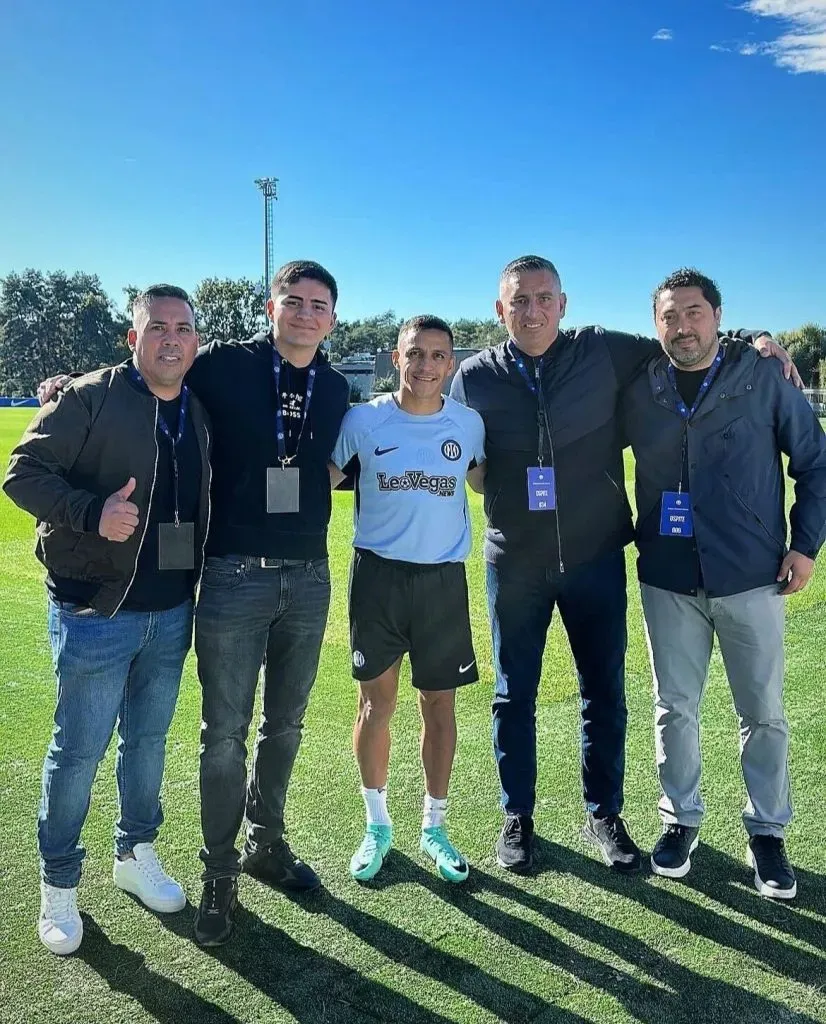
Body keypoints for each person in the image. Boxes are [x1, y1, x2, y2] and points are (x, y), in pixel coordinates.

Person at [36, 260, 349, 946]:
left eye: (318, 305)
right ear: (272, 308)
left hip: (304, 577)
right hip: (231, 577)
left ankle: (261, 843)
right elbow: (150, 366)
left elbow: (335, 461)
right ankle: (217, 872)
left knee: (283, 726)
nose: (304, 313)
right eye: (292, 301)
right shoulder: (225, 365)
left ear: (332, 317)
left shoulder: (333, 386)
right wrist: (71, 387)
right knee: (218, 736)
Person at [449, 255, 790, 875]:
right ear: (499, 310)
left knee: (603, 693)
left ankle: (604, 812)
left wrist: (755, 338)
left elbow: (686, 340)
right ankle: (517, 816)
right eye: (519, 301)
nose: (533, 310)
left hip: (596, 555)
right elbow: (466, 467)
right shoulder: (474, 377)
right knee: (512, 694)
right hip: (516, 562)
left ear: (564, 303)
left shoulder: (605, 352)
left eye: (544, 297)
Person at [3, 285, 210, 955]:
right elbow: (21, 473)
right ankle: (59, 885)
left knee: (146, 746)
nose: (170, 339)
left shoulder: (197, 410)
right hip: (97, 609)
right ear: (134, 337)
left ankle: (134, 854)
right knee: (78, 752)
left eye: (183, 328)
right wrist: (93, 513)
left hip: (172, 609)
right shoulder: (91, 396)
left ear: (196, 342)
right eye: (157, 328)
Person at [622, 267, 826, 897]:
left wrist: (805, 545)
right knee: (673, 709)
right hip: (668, 575)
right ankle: (679, 820)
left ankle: (768, 832)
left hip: (751, 573)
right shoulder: (641, 383)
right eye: (669, 316)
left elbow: (815, 462)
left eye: (694, 313)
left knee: (762, 711)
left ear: (716, 315)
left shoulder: (760, 373)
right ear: (655, 324)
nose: (682, 326)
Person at [329, 316, 486, 884]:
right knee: (376, 706)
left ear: (451, 364)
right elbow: (319, 479)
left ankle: (434, 826)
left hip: (443, 582)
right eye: (414, 354)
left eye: (437, 356)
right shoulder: (363, 420)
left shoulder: (468, 424)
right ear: (397, 358)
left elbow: (487, 482)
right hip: (378, 579)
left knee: (439, 707)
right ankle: (377, 825)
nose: (425, 366)